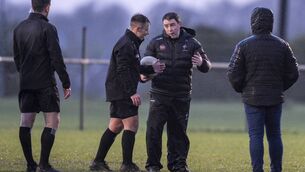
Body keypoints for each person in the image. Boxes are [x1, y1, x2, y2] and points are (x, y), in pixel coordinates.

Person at [89, 14, 165, 172]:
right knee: (132, 125)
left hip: (118, 91)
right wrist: (131, 92)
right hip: (122, 92)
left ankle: (97, 162)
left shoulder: (131, 42)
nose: (147, 33)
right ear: (137, 28)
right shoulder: (126, 45)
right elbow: (122, 70)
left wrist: (152, 69)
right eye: (146, 30)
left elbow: (133, 67)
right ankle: (127, 165)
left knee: (115, 126)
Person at [227, 7, 299, 172]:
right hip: (275, 97)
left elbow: (232, 73)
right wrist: (280, 87)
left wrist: (242, 89)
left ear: (253, 22)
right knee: (275, 135)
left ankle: (257, 169)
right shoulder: (282, 45)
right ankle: (276, 169)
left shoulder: (243, 45)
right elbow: (293, 73)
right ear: (271, 23)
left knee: (255, 136)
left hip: (252, 98)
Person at [144, 12, 211, 172]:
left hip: (181, 95)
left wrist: (201, 63)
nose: (170, 29)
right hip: (159, 94)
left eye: (172, 25)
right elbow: (144, 66)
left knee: (178, 133)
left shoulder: (192, 43)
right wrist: (145, 74)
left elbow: (207, 65)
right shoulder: (155, 43)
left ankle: (178, 165)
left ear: (179, 25)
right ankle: (153, 165)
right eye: (166, 26)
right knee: (153, 130)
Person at [13, 0, 72, 172]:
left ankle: (31, 165)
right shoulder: (48, 28)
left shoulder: (18, 28)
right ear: (47, 7)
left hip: (26, 82)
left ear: (32, 6)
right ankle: (44, 165)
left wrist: (25, 74)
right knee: (53, 121)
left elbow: (17, 58)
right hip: (45, 83)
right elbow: (56, 58)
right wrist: (66, 82)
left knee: (26, 122)